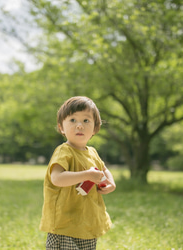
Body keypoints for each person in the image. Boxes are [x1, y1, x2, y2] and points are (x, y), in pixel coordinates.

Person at [39, 96, 116, 250]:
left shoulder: (92, 152)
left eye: (86, 121)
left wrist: (110, 183)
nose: (79, 126)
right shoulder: (64, 151)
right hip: (64, 222)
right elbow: (57, 178)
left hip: (86, 222)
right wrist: (86, 175)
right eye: (72, 120)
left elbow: (104, 169)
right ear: (61, 127)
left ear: (95, 128)